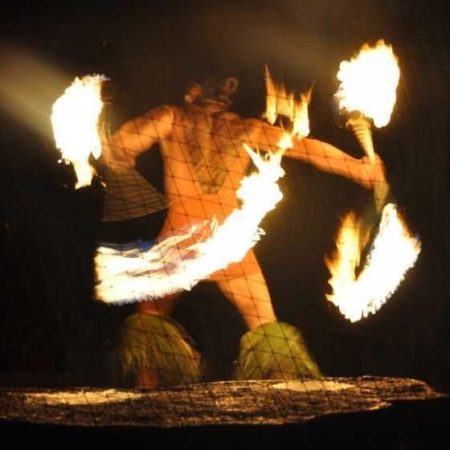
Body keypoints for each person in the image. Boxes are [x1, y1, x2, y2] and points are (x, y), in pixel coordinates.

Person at [101, 75, 385, 387]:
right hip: (228, 245)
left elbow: (124, 145)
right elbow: (307, 149)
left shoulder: (171, 116)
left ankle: (147, 399)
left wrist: (111, 150)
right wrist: (359, 169)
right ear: (227, 99)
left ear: (193, 91)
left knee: (150, 324)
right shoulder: (247, 129)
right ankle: (287, 397)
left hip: (179, 241)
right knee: (265, 326)